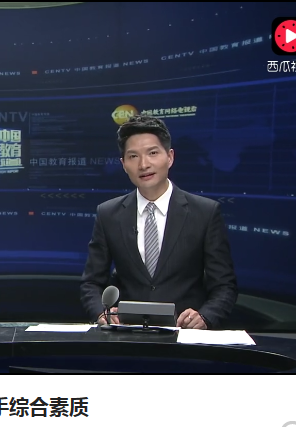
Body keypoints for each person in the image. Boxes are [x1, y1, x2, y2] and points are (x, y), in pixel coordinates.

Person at [80, 115, 238, 329]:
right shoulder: (108, 214)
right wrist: (101, 312)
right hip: (127, 336)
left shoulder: (205, 213)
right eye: (133, 156)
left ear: (170, 157)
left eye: (152, 153)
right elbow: (91, 282)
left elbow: (225, 286)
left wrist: (205, 316)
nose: (144, 164)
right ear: (123, 164)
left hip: (184, 334)